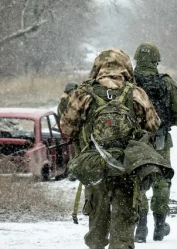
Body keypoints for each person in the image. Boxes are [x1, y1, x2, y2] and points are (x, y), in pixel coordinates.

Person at [60, 48, 161, 249]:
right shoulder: (136, 93)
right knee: (124, 226)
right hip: (127, 166)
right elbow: (153, 125)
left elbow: (67, 128)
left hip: (94, 166)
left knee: (97, 226)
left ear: (97, 67)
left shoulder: (83, 93)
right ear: (126, 67)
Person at [133, 42, 177, 243]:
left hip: (135, 142)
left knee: (137, 181)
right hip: (160, 139)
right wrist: (165, 122)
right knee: (161, 181)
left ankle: (141, 226)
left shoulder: (127, 83)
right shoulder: (167, 82)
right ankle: (159, 225)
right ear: (157, 60)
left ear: (136, 59)